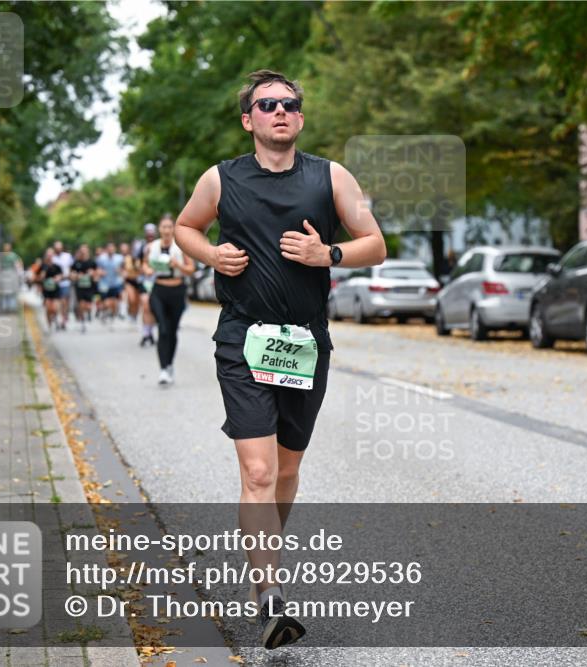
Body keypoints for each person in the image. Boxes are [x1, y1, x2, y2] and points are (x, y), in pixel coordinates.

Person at [174, 69, 386, 649]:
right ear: (249, 119)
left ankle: (261, 563)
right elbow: (186, 229)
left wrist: (329, 252)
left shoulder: (332, 176)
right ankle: (270, 593)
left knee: (287, 471)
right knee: (259, 472)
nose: (280, 112)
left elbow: (377, 243)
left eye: (289, 104)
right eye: (267, 105)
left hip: (304, 343)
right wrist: (212, 254)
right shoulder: (220, 179)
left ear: (299, 115)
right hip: (243, 339)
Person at [144, 216, 194, 385]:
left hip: (177, 291)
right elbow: (144, 265)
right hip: (158, 290)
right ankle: (163, 369)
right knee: (163, 329)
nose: (166, 230)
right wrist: (148, 270)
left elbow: (190, 269)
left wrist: (177, 265)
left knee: (172, 331)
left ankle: (170, 364)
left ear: (173, 229)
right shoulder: (151, 247)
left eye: (169, 227)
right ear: (159, 229)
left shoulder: (181, 247)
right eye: (163, 227)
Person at [134, 223, 158, 346]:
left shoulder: (159, 245)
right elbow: (136, 262)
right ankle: (145, 334)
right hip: (144, 280)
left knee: (152, 308)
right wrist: (142, 268)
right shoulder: (141, 246)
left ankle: (150, 332)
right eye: (148, 232)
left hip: (157, 280)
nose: (150, 234)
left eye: (151, 232)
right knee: (145, 306)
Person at [70, 244, 98, 333]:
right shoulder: (76, 263)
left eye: (85, 251)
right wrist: (77, 276)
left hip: (90, 287)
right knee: (81, 305)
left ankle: (88, 313)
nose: (83, 253)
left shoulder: (92, 262)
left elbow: (97, 274)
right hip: (80, 287)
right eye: (82, 251)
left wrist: (93, 273)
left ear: (88, 252)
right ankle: (83, 322)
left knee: (88, 306)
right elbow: (71, 275)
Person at [97, 242, 125, 324]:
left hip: (116, 282)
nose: (111, 250)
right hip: (104, 283)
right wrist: (101, 272)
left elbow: (123, 269)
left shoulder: (119, 258)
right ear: (106, 249)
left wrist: (120, 271)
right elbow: (98, 269)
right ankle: (105, 312)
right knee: (106, 302)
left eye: (112, 249)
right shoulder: (101, 258)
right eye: (109, 249)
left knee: (117, 299)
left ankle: (116, 313)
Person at [37, 248, 63, 331]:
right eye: (48, 255)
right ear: (46, 256)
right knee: (48, 307)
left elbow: (61, 275)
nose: (49, 257)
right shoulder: (42, 266)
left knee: (55, 307)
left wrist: (58, 278)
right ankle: (49, 325)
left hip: (55, 289)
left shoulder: (57, 266)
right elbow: (36, 278)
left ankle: (55, 317)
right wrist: (41, 277)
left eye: (51, 255)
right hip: (46, 290)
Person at [52, 240, 74, 330]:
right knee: (57, 303)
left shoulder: (67, 256)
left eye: (59, 247)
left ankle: (64, 319)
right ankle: (58, 318)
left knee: (64, 302)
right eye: (56, 248)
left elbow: (72, 267)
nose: (58, 249)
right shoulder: (52, 257)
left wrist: (71, 276)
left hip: (65, 282)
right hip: (55, 284)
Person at [0, 242, 23, 313]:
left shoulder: (13, 256)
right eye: (5, 247)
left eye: (7, 247)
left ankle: (12, 307)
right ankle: (4, 307)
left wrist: (19, 273)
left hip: (12, 274)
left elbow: (18, 264)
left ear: (10, 248)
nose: (6, 248)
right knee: (4, 291)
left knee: (12, 291)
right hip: (3, 274)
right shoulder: (1, 256)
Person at [120, 242, 141, 322]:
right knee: (131, 299)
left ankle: (134, 314)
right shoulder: (126, 258)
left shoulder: (140, 259)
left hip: (138, 281)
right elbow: (121, 269)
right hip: (129, 281)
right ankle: (130, 313)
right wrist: (123, 273)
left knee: (136, 301)